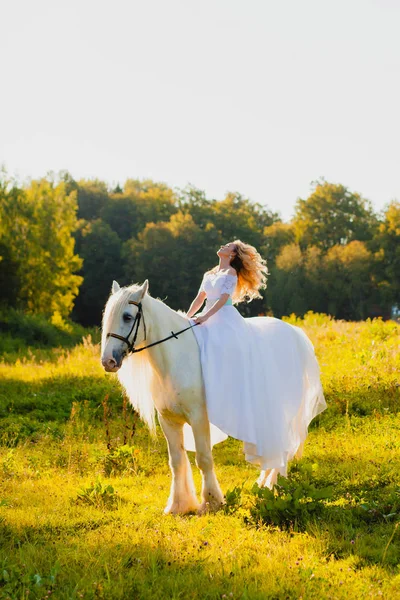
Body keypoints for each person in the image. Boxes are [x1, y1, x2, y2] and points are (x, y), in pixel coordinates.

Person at [185, 240, 326, 473]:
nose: (222, 245)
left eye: (228, 245)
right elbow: (200, 297)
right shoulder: (210, 273)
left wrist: (205, 317)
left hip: (224, 319)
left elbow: (221, 301)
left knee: (223, 348)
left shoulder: (230, 273)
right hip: (205, 316)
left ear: (232, 254)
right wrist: (189, 316)